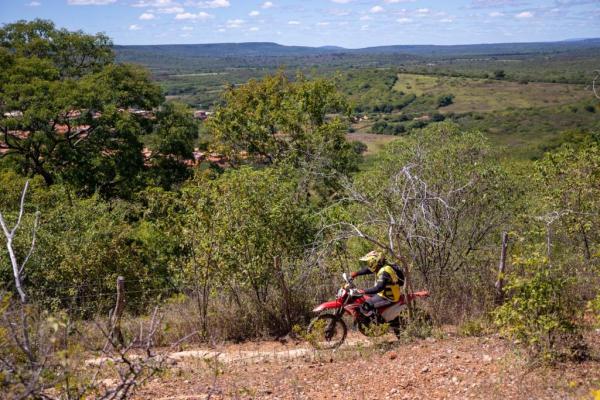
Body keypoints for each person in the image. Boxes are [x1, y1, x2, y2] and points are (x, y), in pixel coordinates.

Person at [350, 250, 405, 316]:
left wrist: (363, 291)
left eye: (369, 262)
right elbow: (368, 270)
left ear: (374, 261)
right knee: (363, 297)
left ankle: (375, 323)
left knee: (365, 306)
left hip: (389, 297)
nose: (369, 264)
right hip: (384, 293)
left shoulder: (384, 271)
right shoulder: (382, 266)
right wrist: (356, 273)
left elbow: (379, 288)